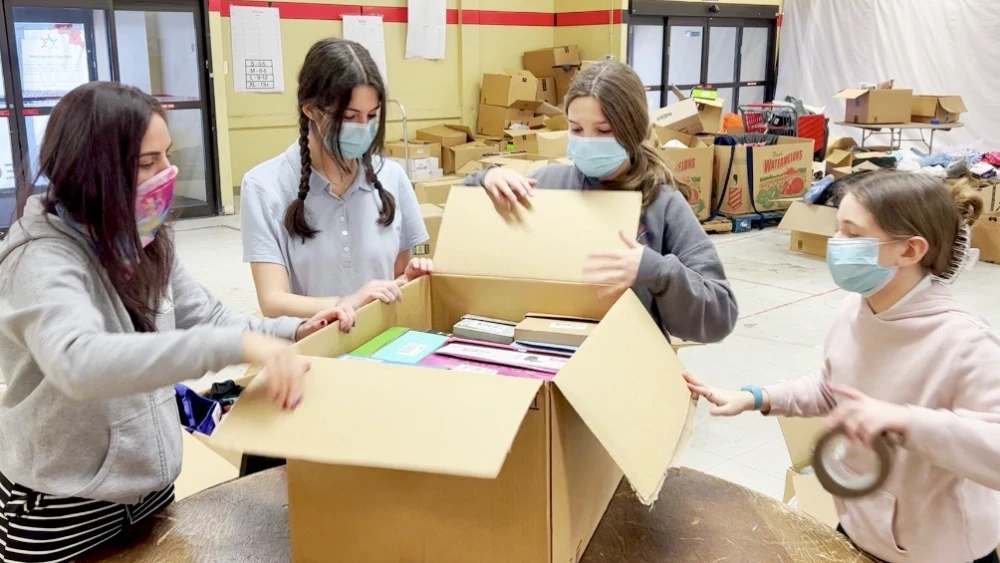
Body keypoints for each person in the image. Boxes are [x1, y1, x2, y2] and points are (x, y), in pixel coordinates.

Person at [0, 82, 352, 562]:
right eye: (147, 162)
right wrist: (234, 348)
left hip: (148, 491)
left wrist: (294, 331)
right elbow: (78, 363)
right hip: (64, 508)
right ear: (90, 169)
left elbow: (209, 316)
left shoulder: (142, 239)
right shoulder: (39, 260)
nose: (167, 173)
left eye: (168, 155)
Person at [685, 171, 1000, 563]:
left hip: (938, 552)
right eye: (838, 228)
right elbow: (832, 387)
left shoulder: (966, 342)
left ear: (910, 250)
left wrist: (906, 421)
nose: (836, 243)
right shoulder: (857, 308)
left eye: (852, 234)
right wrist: (756, 398)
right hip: (860, 528)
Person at [465, 61, 737, 344]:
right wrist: (486, 179)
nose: (587, 142)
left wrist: (657, 271)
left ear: (633, 130)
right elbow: (465, 237)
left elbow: (720, 315)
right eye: (576, 129)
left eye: (604, 131)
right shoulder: (546, 186)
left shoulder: (662, 205)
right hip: (544, 350)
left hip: (623, 355)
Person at [241, 38, 431, 319]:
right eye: (349, 116)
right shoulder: (263, 186)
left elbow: (404, 270)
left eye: (371, 116)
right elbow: (273, 300)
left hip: (384, 335)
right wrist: (349, 302)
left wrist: (412, 277)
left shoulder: (392, 177)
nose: (363, 128)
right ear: (311, 110)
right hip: (314, 339)